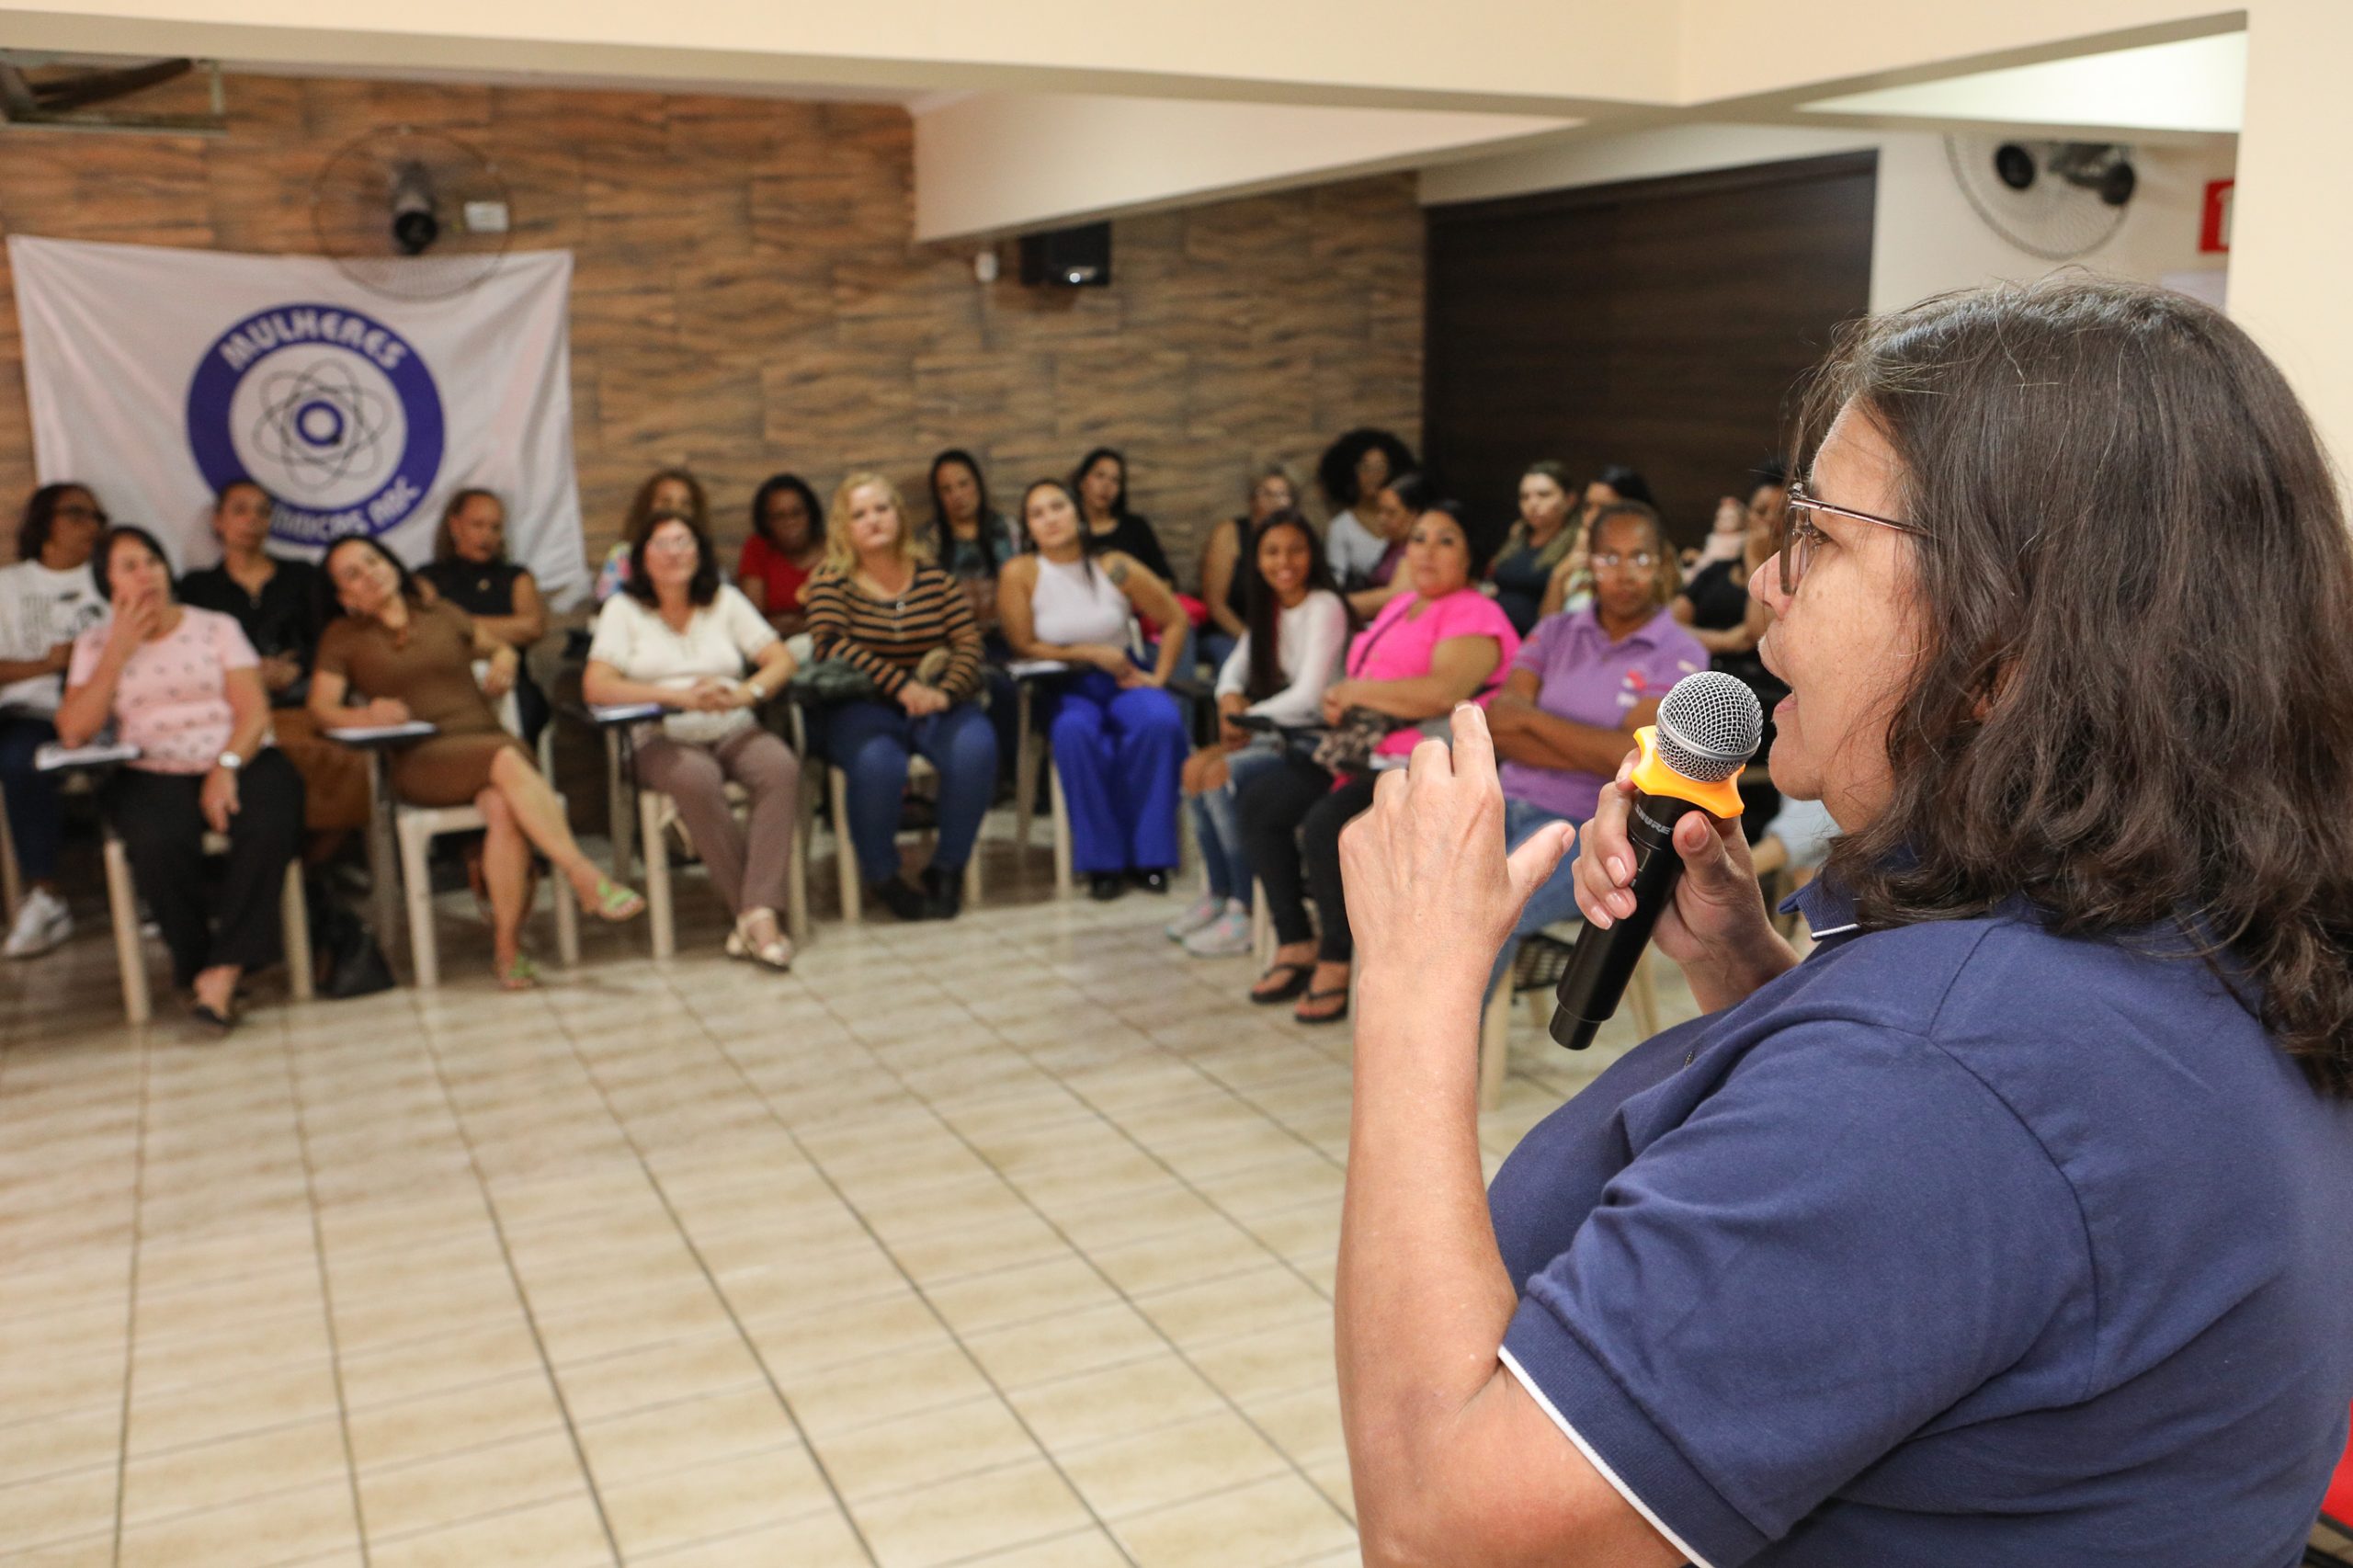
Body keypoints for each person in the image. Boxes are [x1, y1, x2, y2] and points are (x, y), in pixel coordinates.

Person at [1331, 278, 2353, 1568]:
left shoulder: (1940, 1079)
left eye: (1817, 532)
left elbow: (1445, 1531)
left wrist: (1417, 987)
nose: (1764, 579)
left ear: (2004, 637)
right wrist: (1751, 977)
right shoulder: (2212, 929)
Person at [312, 536, 642, 989]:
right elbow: (321, 709)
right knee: (506, 757)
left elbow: (496, 647)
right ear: (344, 596)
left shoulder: (441, 613)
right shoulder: (343, 638)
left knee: (504, 805)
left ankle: (508, 950)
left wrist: (505, 660)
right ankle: (582, 874)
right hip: (423, 758)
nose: (369, 573)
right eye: (353, 573)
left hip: (487, 743)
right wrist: (364, 715)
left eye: (372, 560)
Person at [1236, 501, 1517, 1023]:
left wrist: (1357, 690)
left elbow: (1442, 693)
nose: (1427, 551)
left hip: (1424, 763)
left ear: (1471, 556)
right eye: (1418, 538)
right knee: (1260, 801)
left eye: (1445, 540)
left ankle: (1338, 961)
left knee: (1328, 826)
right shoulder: (1403, 603)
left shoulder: (1475, 613)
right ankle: (1296, 939)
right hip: (1360, 748)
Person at [56, 527, 303, 1031]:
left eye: (152, 560)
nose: (146, 574)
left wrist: (226, 767)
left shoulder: (216, 626)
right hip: (151, 767)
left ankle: (224, 972)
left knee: (270, 820)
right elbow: (75, 731)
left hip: (237, 755)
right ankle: (196, 962)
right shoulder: (95, 645)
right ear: (108, 585)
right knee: (158, 841)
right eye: (129, 567)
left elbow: (255, 712)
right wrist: (116, 654)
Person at [1481, 500, 1704, 995]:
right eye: (1609, 558)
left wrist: (1534, 722)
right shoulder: (1555, 630)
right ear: (1590, 564)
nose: (1624, 573)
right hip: (1497, 805)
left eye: (1640, 558)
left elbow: (1628, 759)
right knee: (1420, 892)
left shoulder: (1681, 652)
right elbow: (1499, 726)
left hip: (1586, 828)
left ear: (1663, 564)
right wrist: (1593, 745)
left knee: (1480, 917)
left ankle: (1442, 1065)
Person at [585, 514, 801, 970]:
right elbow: (597, 685)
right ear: (642, 558)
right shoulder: (623, 610)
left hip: (732, 724)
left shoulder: (724, 600)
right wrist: (676, 697)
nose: (674, 552)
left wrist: (746, 692)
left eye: (683, 542)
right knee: (697, 777)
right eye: (661, 544)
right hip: (658, 736)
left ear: (699, 551)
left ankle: (754, 912)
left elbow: (779, 659)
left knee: (780, 766)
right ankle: (758, 919)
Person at [803, 472, 995, 922]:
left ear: (899, 515)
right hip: (860, 705)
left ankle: (947, 869)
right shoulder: (831, 578)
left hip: (935, 701)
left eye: (882, 509)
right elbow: (829, 644)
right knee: (878, 764)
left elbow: (969, 643)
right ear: (844, 528)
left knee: (976, 746)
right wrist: (900, 685)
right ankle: (883, 876)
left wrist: (945, 693)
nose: (873, 520)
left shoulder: (934, 578)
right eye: (860, 514)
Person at [1166, 509, 1348, 957]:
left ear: (1313, 554)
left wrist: (1245, 718)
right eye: (1271, 552)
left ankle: (1245, 909)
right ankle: (1220, 892)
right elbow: (1232, 671)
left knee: (1219, 775)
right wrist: (1229, 700)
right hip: (1277, 730)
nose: (1283, 561)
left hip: (1316, 739)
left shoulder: (1324, 606)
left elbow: (1309, 696)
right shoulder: (1268, 610)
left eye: (1295, 550)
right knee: (1193, 768)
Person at [997, 479, 1189, 901]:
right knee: (1074, 734)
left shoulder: (1113, 565)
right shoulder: (1021, 573)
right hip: (1066, 683)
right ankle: (1103, 862)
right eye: (1037, 513)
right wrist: (1087, 652)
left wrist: (1158, 676)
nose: (1050, 519)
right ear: (1028, 527)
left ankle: (1152, 856)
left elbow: (1175, 618)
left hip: (1124, 674)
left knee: (1159, 720)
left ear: (1077, 513)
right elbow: (1022, 643)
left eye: (1058, 507)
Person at [180, 481, 370, 847]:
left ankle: (317, 872)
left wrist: (297, 670)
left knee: (348, 765)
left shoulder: (301, 577)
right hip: (234, 714)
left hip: (303, 702)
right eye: (240, 510)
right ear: (218, 522)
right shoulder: (197, 588)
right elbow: (189, 658)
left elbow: (330, 639)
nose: (252, 520)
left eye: (262, 511)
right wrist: (250, 676)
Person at [0, 483, 111, 958]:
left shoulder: (108, 578)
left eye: (98, 518)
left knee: (138, 755)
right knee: (19, 761)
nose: (94, 527)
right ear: (48, 521)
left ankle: (147, 882)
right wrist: (49, 663)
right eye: (80, 514)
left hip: (106, 707)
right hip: (32, 710)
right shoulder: (8, 585)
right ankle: (45, 894)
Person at [1675, 463, 1792, 840]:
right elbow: (1667, 627)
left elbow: (1759, 634)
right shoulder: (1716, 571)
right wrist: (1725, 641)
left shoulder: (1795, 580)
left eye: (1782, 513)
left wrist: (1756, 558)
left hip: (1756, 699)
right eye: (1761, 511)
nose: (1769, 522)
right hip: (1697, 681)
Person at [415, 488, 551, 745]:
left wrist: (459, 624)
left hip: (511, 677)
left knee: (527, 709)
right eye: (477, 525)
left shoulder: (515, 576)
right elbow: (430, 630)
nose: (486, 536)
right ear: (455, 526)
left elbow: (532, 627)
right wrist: (501, 631)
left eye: (495, 528)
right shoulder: (428, 578)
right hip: (451, 681)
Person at [1196, 464, 1300, 676]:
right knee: (1239, 664)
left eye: (1281, 495)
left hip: (1284, 635)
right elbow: (1216, 604)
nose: (1273, 501)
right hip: (1230, 633)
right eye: (1266, 493)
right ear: (1252, 500)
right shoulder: (1229, 533)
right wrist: (1251, 640)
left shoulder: (1298, 540)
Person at [1537, 463, 1654, 619]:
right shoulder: (1576, 547)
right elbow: (1546, 628)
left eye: (1604, 508)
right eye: (1588, 507)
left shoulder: (1649, 557)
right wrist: (1559, 575)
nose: (1591, 518)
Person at [1485, 460, 1582, 635]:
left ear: (1570, 500)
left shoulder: (1578, 542)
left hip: (1534, 639)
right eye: (1525, 497)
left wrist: (1558, 576)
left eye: (1543, 495)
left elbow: (1559, 617)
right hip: (1493, 629)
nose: (1533, 503)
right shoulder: (1518, 535)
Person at [1315, 427, 1417, 589]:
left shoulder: (1407, 524)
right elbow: (1336, 581)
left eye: (1380, 468)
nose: (1373, 476)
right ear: (1352, 473)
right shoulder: (1341, 527)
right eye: (1365, 468)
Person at [595, 469, 709, 605]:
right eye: (666, 502)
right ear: (648, 507)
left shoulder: (704, 554)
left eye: (685, 504)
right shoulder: (624, 555)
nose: (675, 509)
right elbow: (605, 609)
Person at [1069, 447, 1175, 587]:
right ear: (1081, 482)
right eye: (1100, 476)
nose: (1106, 485)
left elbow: (1166, 579)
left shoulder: (1135, 527)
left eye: (1115, 480)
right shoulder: (1067, 530)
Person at [737, 473, 825, 638]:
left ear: (811, 514)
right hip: (774, 645)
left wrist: (802, 625)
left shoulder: (833, 548)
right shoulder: (758, 548)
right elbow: (751, 620)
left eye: (797, 513)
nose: (790, 523)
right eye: (779, 517)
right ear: (766, 523)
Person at [1343, 471, 1428, 619]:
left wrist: (1336, 604)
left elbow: (1396, 596)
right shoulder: (1394, 545)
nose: (1381, 519)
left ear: (1415, 514)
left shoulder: (1420, 549)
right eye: (1380, 510)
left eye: (1390, 512)